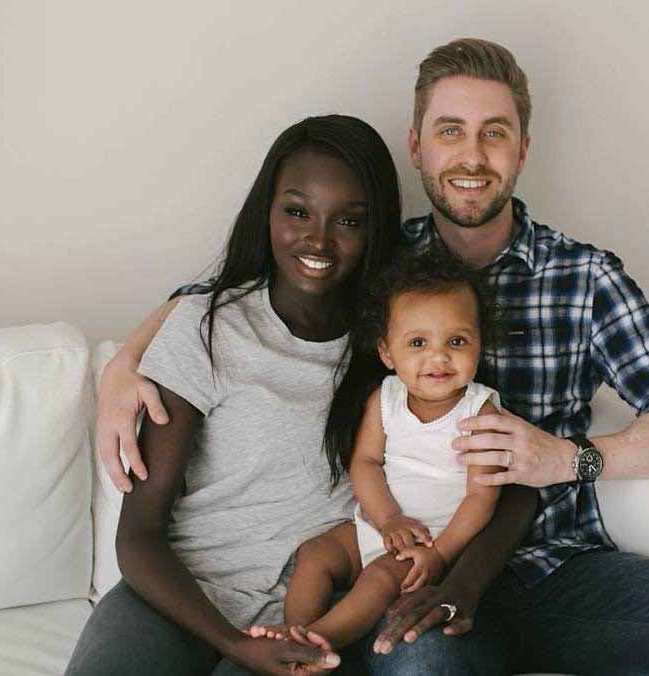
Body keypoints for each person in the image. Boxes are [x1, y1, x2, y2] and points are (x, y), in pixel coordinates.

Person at [98, 39, 649, 675]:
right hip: (416, 571)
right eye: (451, 130)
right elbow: (237, 292)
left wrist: (566, 459)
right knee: (420, 660)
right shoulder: (382, 267)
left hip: (554, 565)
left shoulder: (585, 278)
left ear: (522, 148)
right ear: (417, 147)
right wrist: (124, 365)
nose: (473, 156)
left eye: (495, 132)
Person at [67, 114, 410, 676]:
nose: (318, 240)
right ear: (267, 212)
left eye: (349, 220)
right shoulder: (208, 326)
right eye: (297, 211)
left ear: (376, 230)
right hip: (174, 599)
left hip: (305, 618)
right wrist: (231, 641)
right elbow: (140, 537)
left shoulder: (394, 351)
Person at [246, 248, 509, 654]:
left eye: (457, 341)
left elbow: (481, 499)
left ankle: (323, 639)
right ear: (387, 353)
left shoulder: (481, 411)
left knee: (382, 576)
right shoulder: (386, 398)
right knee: (315, 554)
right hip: (382, 526)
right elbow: (365, 463)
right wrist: (387, 520)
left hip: (433, 541)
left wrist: (438, 555)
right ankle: (293, 630)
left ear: (480, 345)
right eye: (418, 342)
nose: (438, 357)